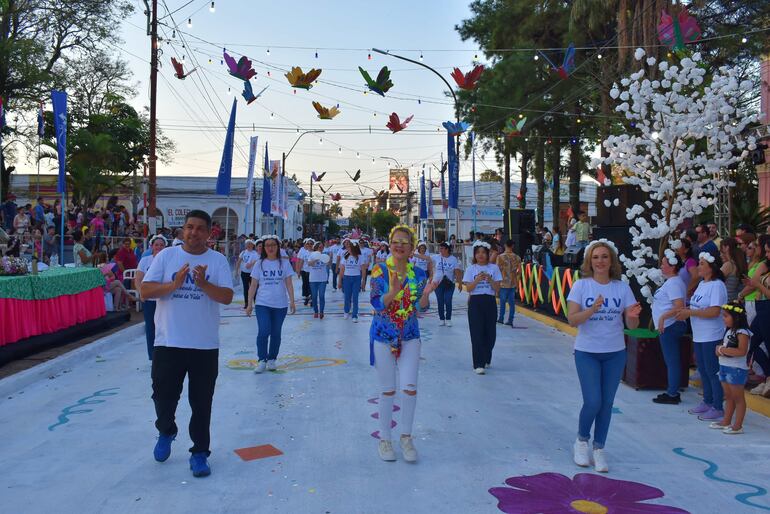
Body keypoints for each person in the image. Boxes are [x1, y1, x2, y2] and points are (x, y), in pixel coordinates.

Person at [140, 210, 234, 478]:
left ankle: (200, 453)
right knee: (163, 398)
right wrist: (174, 283)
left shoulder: (217, 261)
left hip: (204, 346)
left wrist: (203, 284)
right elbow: (146, 291)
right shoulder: (166, 256)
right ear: (183, 229)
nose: (194, 232)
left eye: (200, 228)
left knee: (201, 403)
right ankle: (166, 430)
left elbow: (226, 297)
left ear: (208, 233)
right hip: (169, 342)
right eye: (189, 227)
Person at [566, 240, 641, 473]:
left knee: (607, 404)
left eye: (604, 257)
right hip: (587, 351)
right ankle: (581, 441)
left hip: (615, 353)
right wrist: (592, 309)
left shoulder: (622, 288)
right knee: (593, 401)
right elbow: (572, 319)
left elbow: (631, 323)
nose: (600, 261)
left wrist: (633, 315)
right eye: (596, 257)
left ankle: (599, 449)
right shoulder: (581, 286)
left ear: (611, 261)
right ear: (590, 261)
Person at [369, 225, 436, 462]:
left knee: (409, 388)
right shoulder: (379, 271)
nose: (399, 246)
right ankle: (385, 439)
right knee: (387, 390)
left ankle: (406, 437)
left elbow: (420, 307)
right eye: (395, 242)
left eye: (404, 243)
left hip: (409, 336)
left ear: (411, 248)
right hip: (383, 336)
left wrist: (426, 295)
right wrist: (393, 291)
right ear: (390, 243)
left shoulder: (418, 274)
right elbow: (376, 303)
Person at [675, 252, 728, 422]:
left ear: (711, 268)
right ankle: (707, 401)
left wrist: (690, 312)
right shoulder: (702, 285)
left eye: (702, 264)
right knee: (704, 371)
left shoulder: (717, 286)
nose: (698, 267)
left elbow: (714, 311)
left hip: (712, 335)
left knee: (712, 371)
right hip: (699, 335)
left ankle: (718, 406)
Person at [245, 234, 296, 373]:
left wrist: (292, 301)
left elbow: (289, 284)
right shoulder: (259, 264)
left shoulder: (284, 263)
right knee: (264, 330)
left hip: (280, 305)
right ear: (263, 248)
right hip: (262, 303)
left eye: (273, 245)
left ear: (278, 247)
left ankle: (272, 359)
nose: (270, 248)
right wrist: (249, 304)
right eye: (267, 245)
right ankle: (262, 359)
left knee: (275, 333)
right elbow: (253, 285)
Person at [651, 250, 688, 404]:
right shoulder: (671, 282)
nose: (661, 266)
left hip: (671, 326)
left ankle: (672, 393)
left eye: (664, 263)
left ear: (672, 266)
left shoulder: (674, 283)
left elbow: (678, 306)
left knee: (672, 360)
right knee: (670, 360)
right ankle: (671, 390)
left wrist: (662, 318)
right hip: (668, 325)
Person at [710, 302, 750, 434]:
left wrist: (722, 349)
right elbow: (723, 348)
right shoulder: (729, 331)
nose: (723, 318)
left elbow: (741, 351)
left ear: (736, 318)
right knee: (728, 396)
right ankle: (726, 421)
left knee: (738, 398)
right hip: (724, 366)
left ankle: (738, 426)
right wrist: (720, 350)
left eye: (726, 316)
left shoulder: (742, 332)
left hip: (736, 369)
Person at [463, 241, 503, 374]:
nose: (480, 255)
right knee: (476, 332)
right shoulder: (471, 269)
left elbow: (497, 288)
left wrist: (489, 279)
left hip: (489, 301)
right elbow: (468, 288)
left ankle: (486, 357)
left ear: (487, 254)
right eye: (478, 252)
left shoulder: (494, 268)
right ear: (475, 255)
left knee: (490, 334)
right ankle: (478, 364)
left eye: (483, 252)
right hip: (475, 301)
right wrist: (477, 280)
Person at [135, 235, 168, 360]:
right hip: (149, 300)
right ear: (152, 246)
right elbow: (138, 279)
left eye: (161, 245)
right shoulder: (145, 261)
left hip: (164, 299)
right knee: (150, 327)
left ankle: (166, 353)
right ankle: (153, 355)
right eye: (156, 245)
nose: (159, 247)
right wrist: (141, 293)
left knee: (165, 326)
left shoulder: (169, 260)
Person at [432, 242, 462, 326]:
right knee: (440, 301)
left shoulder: (453, 259)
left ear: (447, 249)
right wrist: (414, 254)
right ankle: (441, 318)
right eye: (440, 248)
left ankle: (448, 318)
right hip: (437, 283)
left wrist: (459, 283)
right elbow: (426, 257)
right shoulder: (436, 257)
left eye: (442, 248)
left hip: (449, 283)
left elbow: (457, 272)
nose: (440, 250)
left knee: (448, 300)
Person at [338, 239, 367, 322]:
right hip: (347, 278)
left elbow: (363, 270)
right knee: (347, 296)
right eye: (348, 247)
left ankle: (355, 315)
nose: (348, 249)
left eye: (350, 247)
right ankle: (346, 311)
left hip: (356, 278)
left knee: (355, 297)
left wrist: (363, 281)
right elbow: (342, 270)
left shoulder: (360, 257)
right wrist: (340, 281)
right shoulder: (345, 256)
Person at [496, 239, 521, 327]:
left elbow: (497, 270)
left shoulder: (500, 257)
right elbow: (519, 272)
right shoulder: (517, 257)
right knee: (512, 303)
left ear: (505, 245)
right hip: (513, 283)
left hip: (503, 282)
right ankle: (510, 320)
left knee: (502, 302)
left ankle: (501, 318)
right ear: (513, 246)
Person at [719, 238, 746, 302]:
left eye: (721, 248)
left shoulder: (728, 265)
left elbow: (715, 279)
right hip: (734, 299)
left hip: (726, 301)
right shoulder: (738, 262)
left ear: (727, 247)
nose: (720, 251)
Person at [308, 241, 329, 319]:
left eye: (322, 247)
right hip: (313, 279)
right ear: (316, 248)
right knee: (314, 296)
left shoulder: (324, 255)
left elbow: (327, 264)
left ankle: (321, 312)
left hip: (322, 279)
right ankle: (316, 311)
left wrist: (326, 260)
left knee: (321, 295)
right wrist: (316, 259)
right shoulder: (312, 255)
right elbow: (309, 264)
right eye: (320, 247)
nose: (321, 248)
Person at [235, 239, 259, 305]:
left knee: (254, 288)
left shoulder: (255, 253)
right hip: (244, 273)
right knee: (246, 288)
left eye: (250, 244)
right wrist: (236, 271)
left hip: (253, 274)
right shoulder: (243, 252)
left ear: (252, 245)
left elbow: (257, 261)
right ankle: (246, 303)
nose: (248, 245)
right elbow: (238, 262)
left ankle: (256, 302)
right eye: (247, 244)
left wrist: (251, 264)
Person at [296, 238, 314, 306]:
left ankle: (312, 298)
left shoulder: (315, 252)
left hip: (313, 272)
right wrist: (298, 270)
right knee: (305, 285)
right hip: (305, 271)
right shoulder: (303, 251)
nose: (309, 245)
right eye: (308, 244)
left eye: (311, 244)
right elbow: (300, 261)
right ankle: (306, 297)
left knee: (311, 285)